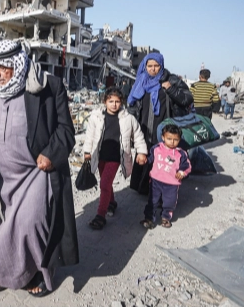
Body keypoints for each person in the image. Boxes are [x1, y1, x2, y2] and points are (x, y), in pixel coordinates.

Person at [0, 40, 77, 298]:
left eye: (2, 67)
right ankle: (7, 273)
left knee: (31, 223)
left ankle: (38, 272)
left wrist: (51, 154)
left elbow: (66, 130)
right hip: (0, 175)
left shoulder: (47, 87)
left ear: (17, 65)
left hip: (35, 173)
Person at [127, 53, 193, 195]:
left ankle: (160, 190)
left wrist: (171, 89)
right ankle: (143, 187)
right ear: (145, 66)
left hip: (164, 126)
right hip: (144, 126)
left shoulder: (172, 80)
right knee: (145, 153)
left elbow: (187, 99)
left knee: (162, 158)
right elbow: (132, 105)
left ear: (161, 65)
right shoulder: (141, 81)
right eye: (149, 66)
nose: (153, 69)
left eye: (156, 66)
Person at [83, 88, 148, 230]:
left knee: (105, 184)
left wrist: (142, 152)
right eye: (111, 101)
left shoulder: (128, 119)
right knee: (105, 182)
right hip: (99, 155)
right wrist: (87, 151)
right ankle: (111, 202)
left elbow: (138, 136)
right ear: (105, 101)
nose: (114, 104)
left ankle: (100, 215)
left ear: (122, 102)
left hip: (116, 157)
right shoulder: (96, 116)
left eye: (117, 101)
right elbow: (90, 135)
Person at [140, 124, 192, 229]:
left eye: (175, 140)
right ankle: (149, 218)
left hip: (172, 184)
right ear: (163, 137)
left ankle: (166, 217)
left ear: (179, 139)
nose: (172, 142)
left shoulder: (181, 153)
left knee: (170, 201)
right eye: (169, 139)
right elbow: (150, 158)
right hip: (155, 181)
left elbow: (187, 166)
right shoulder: (156, 148)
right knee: (152, 201)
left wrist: (182, 172)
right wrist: (144, 160)